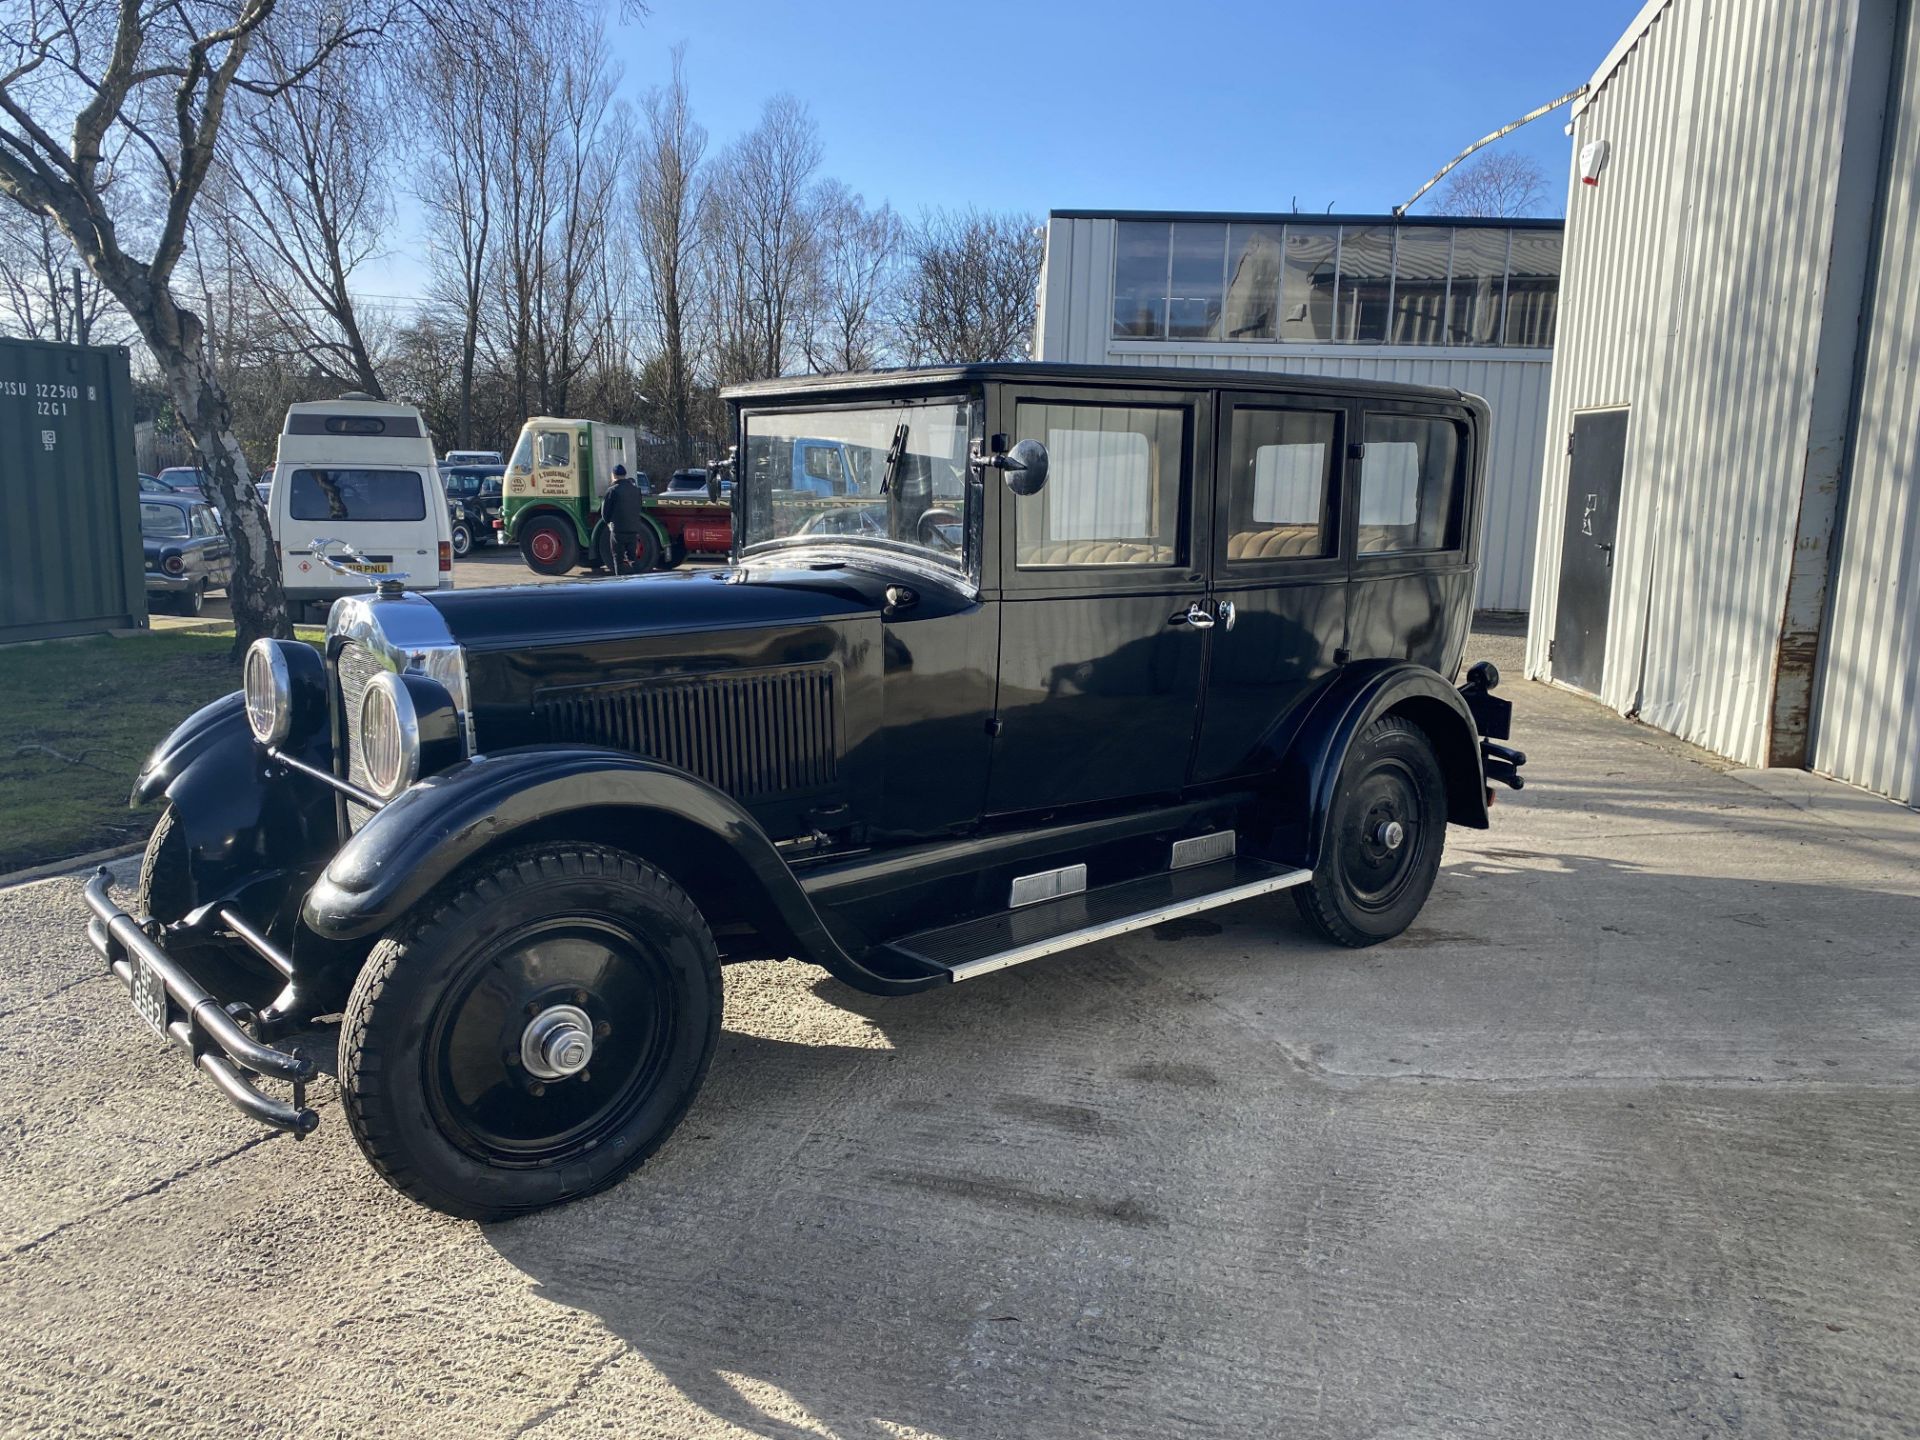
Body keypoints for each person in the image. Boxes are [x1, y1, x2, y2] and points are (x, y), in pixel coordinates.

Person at [602, 464, 648, 575]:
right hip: (633, 529)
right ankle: (641, 578)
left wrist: (608, 523)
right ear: (625, 475)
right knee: (632, 557)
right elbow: (639, 507)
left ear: (613, 475)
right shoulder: (636, 490)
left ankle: (620, 584)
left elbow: (605, 512)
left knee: (617, 559)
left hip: (618, 530)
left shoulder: (612, 490)